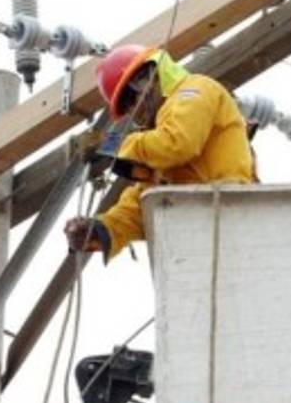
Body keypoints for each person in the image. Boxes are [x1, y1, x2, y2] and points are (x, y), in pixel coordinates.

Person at [64, 43, 255, 260]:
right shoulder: (156, 144)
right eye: (126, 107)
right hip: (200, 232)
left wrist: (113, 145)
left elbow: (178, 143)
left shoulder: (195, 90)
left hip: (231, 214)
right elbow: (142, 201)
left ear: (149, 77)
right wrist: (101, 229)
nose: (133, 111)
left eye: (130, 97)